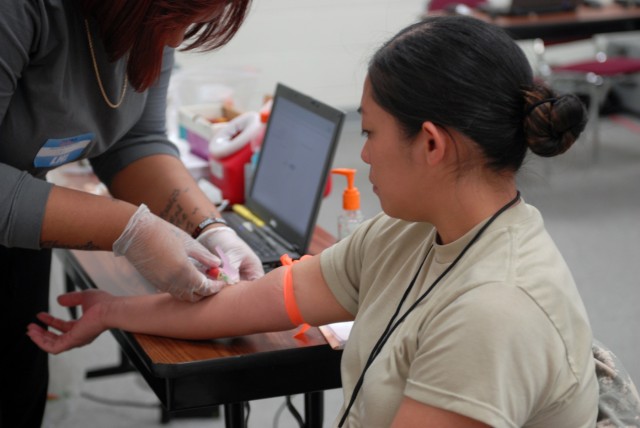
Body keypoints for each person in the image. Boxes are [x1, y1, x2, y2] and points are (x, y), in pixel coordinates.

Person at [28, 15, 600, 427]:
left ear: (431, 144)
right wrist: (114, 311)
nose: (365, 153)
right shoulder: (409, 234)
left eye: (370, 133)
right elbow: (255, 300)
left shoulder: (493, 312)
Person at [1, 0, 264, 426]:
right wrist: (130, 230)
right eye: (174, 19)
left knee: (16, 393)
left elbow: (134, 141)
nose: (176, 40)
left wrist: (210, 227)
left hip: (20, 226)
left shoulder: (148, 19)